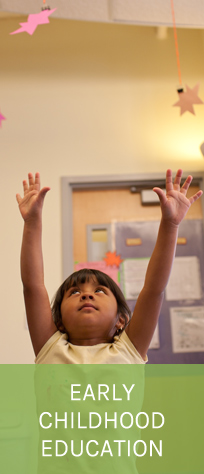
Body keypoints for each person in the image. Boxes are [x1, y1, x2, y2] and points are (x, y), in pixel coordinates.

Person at [16, 169, 203, 364]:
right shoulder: (50, 348)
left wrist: (171, 224)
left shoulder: (130, 349)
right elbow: (33, 286)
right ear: (59, 322)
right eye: (73, 292)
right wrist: (32, 222)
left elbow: (153, 289)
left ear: (121, 319)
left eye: (99, 290)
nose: (86, 295)